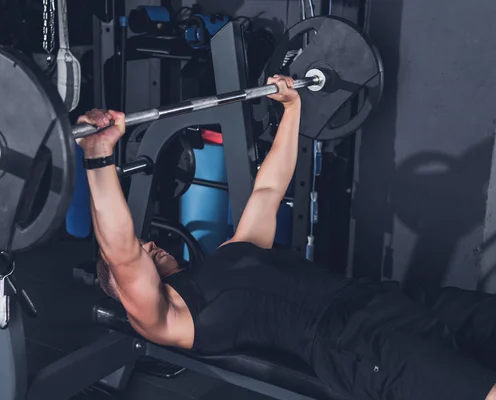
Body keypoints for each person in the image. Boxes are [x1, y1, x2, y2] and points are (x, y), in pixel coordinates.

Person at [75, 75, 496, 400]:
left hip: (386, 299)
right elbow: (122, 253)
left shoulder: (230, 253)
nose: (151, 246)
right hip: (354, 343)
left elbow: (267, 190)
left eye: (149, 243)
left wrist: (293, 108)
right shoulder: (169, 316)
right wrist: (99, 155)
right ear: (125, 294)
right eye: (142, 254)